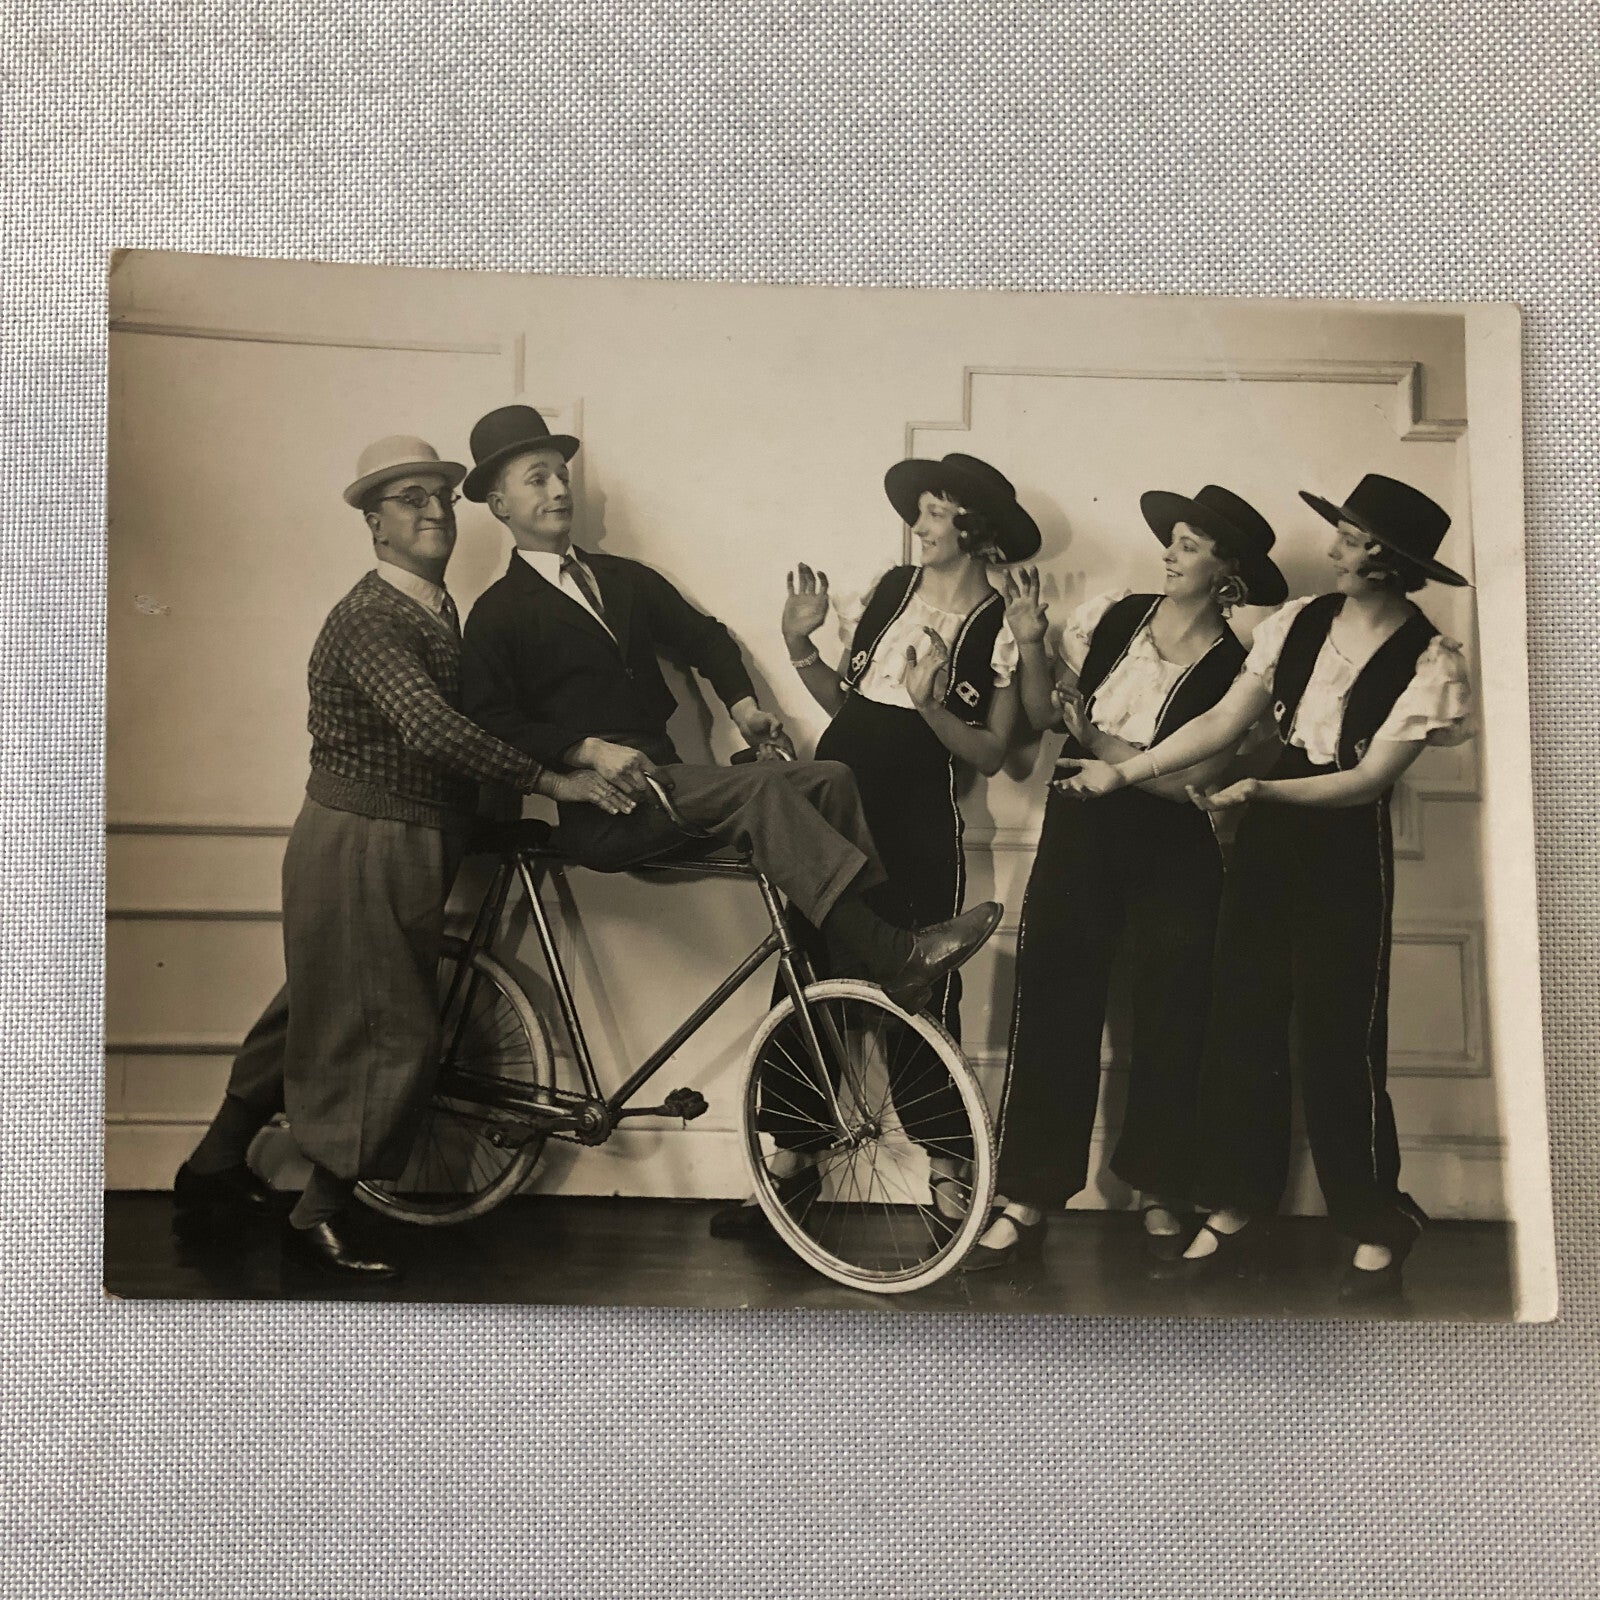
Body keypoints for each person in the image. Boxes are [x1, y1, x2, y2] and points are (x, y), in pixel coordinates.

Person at [171, 436, 634, 1281]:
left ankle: (210, 1168)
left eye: (442, 497)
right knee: (390, 1029)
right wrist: (550, 781)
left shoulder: (434, 608)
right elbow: (432, 728)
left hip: (398, 838)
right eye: (410, 498)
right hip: (364, 840)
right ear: (374, 524)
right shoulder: (373, 617)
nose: (434, 511)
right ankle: (318, 1215)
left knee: (313, 1011)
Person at [1059, 474, 1473, 1298]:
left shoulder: (1428, 659)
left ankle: (1375, 1222)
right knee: (1242, 1022)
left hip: (1344, 844)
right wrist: (1123, 774)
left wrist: (1260, 791)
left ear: (1386, 558)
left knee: (1337, 1036)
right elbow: (1221, 721)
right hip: (1269, 839)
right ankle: (1236, 1203)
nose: (1332, 550)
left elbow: (1366, 782)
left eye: (1348, 540)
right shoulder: (1299, 623)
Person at [455, 406, 1002, 1021]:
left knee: (832, 777)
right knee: (765, 790)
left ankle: (867, 959)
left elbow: (706, 639)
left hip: (665, 782)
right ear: (499, 505)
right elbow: (488, 722)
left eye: (562, 475)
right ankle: (893, 956)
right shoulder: (497, 612)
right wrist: (582, 750)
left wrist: (743, 708)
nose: (559, 490)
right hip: (604, 810)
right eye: (538, 479)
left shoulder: (621, 578)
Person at [711, 451, 1040, 1240]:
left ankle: (949, 1170)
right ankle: (791, 1166)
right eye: (920, 511)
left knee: (919, 984)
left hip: (916, 821)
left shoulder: (999, 624)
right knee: (807, 967)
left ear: (973, 526)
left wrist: (931, 707)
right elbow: (847, 702)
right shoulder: (888, 591)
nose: (919, 525)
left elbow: (994, 752)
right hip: (831, 805)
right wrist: (798, 646)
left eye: (935, 512)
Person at [965, 485, 1288, 1270]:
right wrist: (1031, 641)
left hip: (1175, 848)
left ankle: (1159, 1185)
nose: (1169, 553)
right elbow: (1047, 718)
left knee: (1174, 1014)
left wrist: (1105, 747)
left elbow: (1196, 783)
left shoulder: (1244, 666)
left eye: (1190, 545)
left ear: (1228, 574)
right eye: (1171, 539)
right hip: (1080, 829)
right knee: (1054, 1004)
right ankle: (1028, 1197)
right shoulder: (1112, 617)